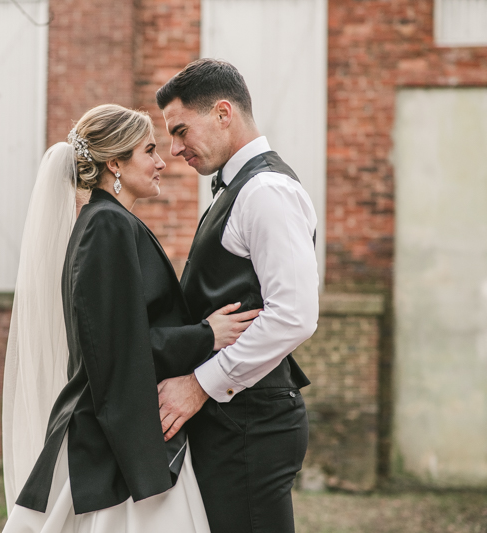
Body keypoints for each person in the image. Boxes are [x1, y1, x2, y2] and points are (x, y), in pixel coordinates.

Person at [2, 104, 260, 533]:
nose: (162, 161)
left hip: (121, 419)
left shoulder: (108, 222)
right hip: (119, 437)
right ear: (116, 163)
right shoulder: (107, 226)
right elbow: (115, 347)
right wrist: (205, 335)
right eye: (149, 151)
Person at [155, 59, 320, 533]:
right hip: (235, 422)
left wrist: (200, 384)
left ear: (223, 113)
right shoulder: (240, 188)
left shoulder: (266, 190)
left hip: (251, 425)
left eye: (181, 130)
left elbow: (294, 316)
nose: (175, 148)